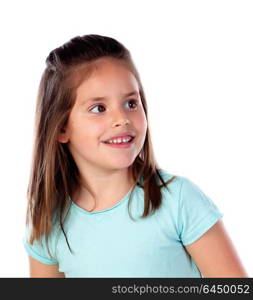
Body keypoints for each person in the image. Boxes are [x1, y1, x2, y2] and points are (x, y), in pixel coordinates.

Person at [23, 34, 248, 278]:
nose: (122, 119)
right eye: (99, 108)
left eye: (131, 103)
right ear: (61, 128)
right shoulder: (48, 224)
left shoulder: (179, 201)